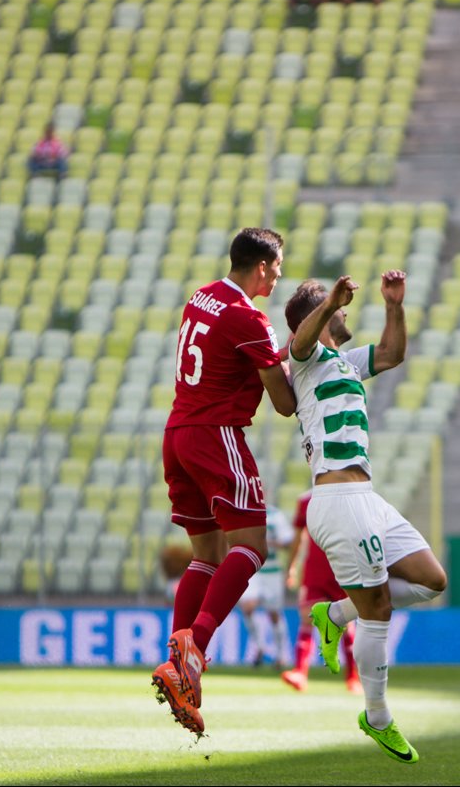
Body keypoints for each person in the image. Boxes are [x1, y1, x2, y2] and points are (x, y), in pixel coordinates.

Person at [284, 271, 447, 765]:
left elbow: (394, 354)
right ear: (324, 311)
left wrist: (395, 306)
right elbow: (299, 339)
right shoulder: (306, 361)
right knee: (378, 609)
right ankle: (377, 718)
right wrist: (329, 297)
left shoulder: (345, 363)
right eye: (340, 308)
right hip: (337, 498)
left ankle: (333, 614)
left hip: (368, 497)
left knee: (430, 581)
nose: (347, 312)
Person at [151, 227, 297, 738]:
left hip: (178, 432)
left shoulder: (203, 296)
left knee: (205, 555)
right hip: (216, 433)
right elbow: (284, 403)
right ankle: (198, 643)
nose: (278, 278)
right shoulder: (248, 317)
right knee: (252, 545)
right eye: (276, 269)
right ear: (261, 267)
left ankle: (178, 667)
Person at [281, 489, 363, 694]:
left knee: (346, 623)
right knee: (308, 617)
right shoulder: (306, 499)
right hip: (315, 570)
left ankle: (353, 678)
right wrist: (291, 566)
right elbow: (298, 538)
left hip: (343, 569)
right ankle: (300, 672)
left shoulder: (349, 498)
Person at [238, 505, 296, 669]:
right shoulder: (242, 513)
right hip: (253, 570)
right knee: (248, 607)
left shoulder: (275, 515)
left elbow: (288, 543)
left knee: (274, 614)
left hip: (272, 571)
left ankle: (280, 655)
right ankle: (259, 647)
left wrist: (267, 543)